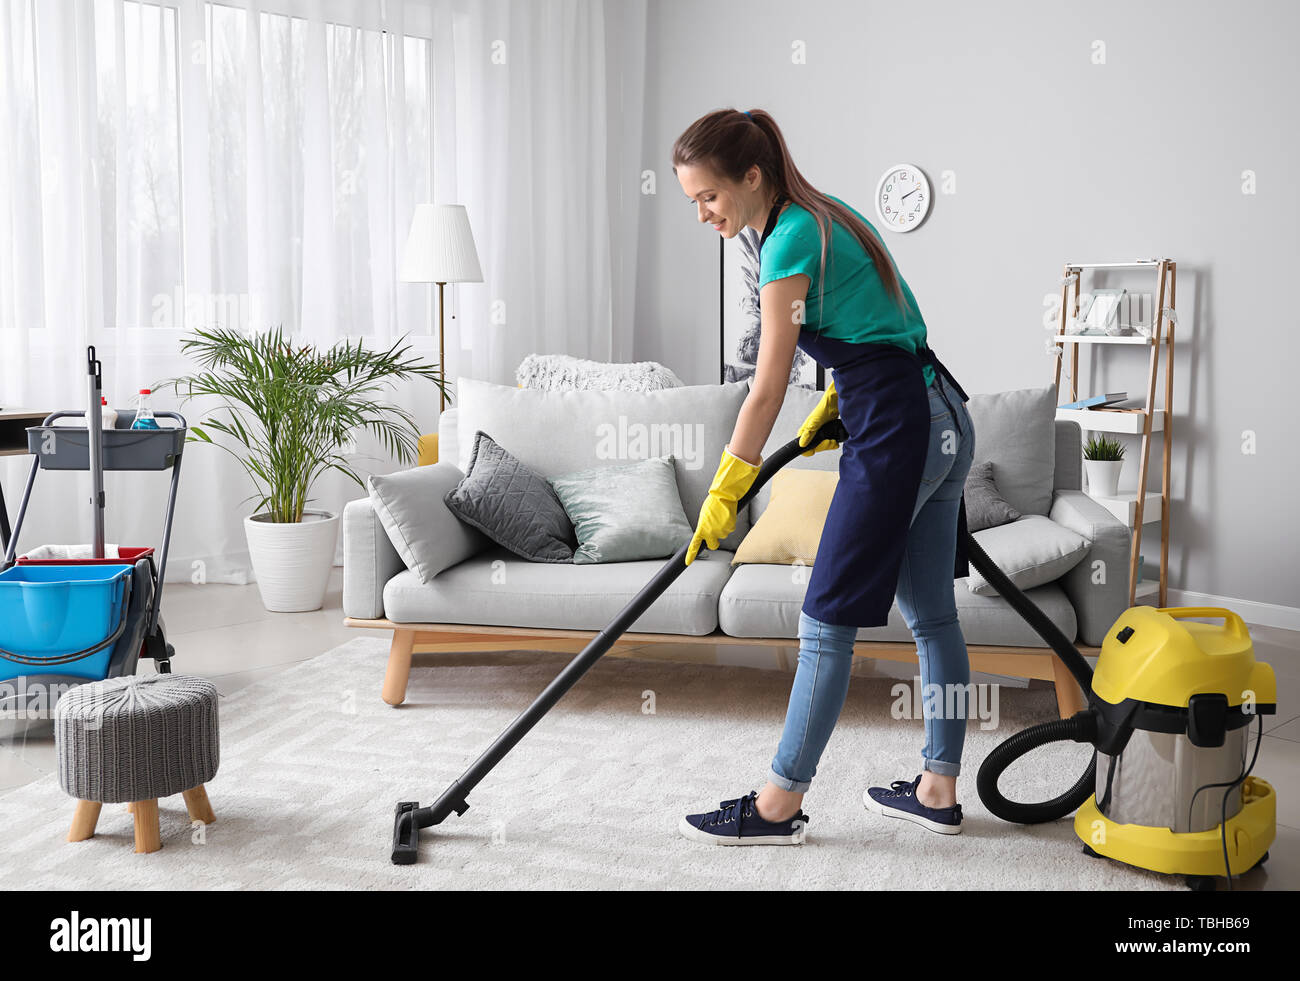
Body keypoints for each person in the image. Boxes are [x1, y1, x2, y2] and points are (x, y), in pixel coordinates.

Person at [673, 108, 977, 845]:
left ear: (751, 176)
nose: (704, 214)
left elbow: (767, 385)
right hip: (943, 415)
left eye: (709, 196)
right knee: (932, 614)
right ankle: (937, 785)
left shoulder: (787, 239)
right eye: (692, 202)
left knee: (823, 621)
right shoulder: (825, 212)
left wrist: (726, 488)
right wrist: (843, 393)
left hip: (901, 429)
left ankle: (777, 807)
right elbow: (892, 323)